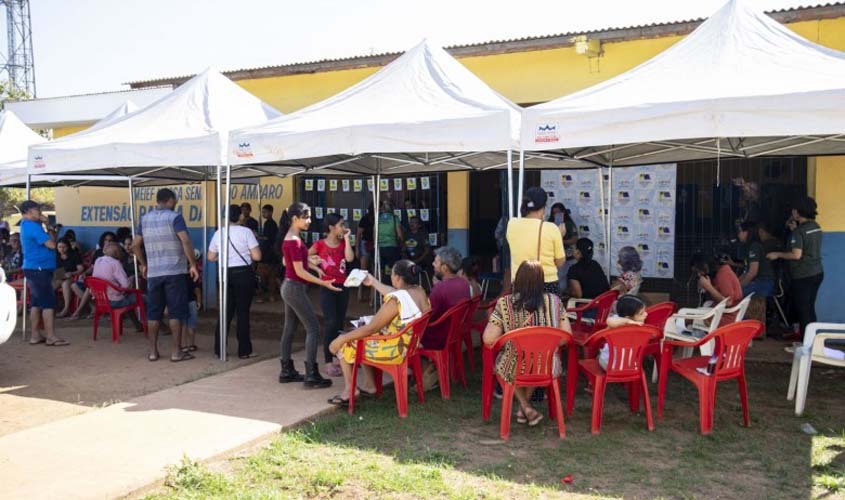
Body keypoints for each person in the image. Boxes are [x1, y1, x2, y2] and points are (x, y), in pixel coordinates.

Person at [328, 260, 430, 406]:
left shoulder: (395, 301)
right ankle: (370, 386)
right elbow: (395, 292)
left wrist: (341, 339)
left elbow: (372, 328)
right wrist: (374, 282)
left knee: (347, 343)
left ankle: (350, 389)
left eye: (392, 274)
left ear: (398, 278)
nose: (391, 277)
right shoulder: (419, 291)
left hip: (395, 349)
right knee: (360, 337)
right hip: (409, 345)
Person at [482, 260, 572, 426]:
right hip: (546, 365)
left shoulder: (505, 304)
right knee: (535, 360)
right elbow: (566, 336)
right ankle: (524, 408)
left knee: (505, 364)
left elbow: (488, 339)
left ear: (518, 279)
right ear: (542, 280)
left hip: (513, 364)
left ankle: (524, 406)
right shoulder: (555, 302)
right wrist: (546, 345)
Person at [132, 188, 200, 362]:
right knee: (175, 313)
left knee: (154, 313)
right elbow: (185, 240)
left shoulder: (144, 219)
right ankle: (176, 352)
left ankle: (153, 352)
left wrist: (143, 264)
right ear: (170, 200)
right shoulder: (174, 217)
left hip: (154, 273)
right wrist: (192, 264)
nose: (175, 203)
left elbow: (135, 245)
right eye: (175, 201)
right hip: (175, 272)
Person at [279, 202, 340, 388]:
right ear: (295, 219)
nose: (309, 221)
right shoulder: (295, 241)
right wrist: (322, 282)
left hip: (289, 286)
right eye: (305, 217)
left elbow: (286, 261)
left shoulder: (291, 238)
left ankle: (286, 370)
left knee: (290, 327)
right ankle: (311, 374)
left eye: (309, 216)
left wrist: (313, 264)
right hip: (295, 288)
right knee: (313, 327)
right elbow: (299, 271)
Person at [208, 204, 261, 359]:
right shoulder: (247, 232)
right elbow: (257, 256)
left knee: (225, 312)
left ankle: (219, 349)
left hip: (225, 274)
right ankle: (244, 351)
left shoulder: (219, 233)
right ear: (241, 216)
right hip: (244, 274)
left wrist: (224, 258)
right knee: (243, 313)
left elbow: (210, 257)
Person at [767, 196, 824, 339]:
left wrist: (777, 254)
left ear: (798, 212)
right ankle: (813, 341)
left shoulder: (798, 232)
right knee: (810, 308)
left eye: (794, 210)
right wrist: (795, 229)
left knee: (803, 310)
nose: (792, 212)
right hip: (817, 272)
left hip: (803, 275)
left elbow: (796, 255)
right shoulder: (815, 227)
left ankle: (806, 344)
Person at [310, 213, 355, 377]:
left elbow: (349, 259)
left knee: (340, 321)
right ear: (331, 228)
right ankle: (328, 360)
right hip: (327, 286)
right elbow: (303, 257)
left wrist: (348, 239)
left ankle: (338, 355)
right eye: (341, 224)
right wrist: (317, 269)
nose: (344, 227)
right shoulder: (320, 244)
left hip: (343, 285)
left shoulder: (343, 243)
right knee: (331, 322)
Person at [19, 200, 68, 346]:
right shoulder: (32, 227)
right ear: (28, 211)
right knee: (48, 303)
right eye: (37, 209)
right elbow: (53, 245)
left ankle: (35, 335)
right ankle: (51, 336)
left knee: (36, 302)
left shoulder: (28, 225)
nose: (40, 211)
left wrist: (47, 226)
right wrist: (49, 226)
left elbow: (50, 242)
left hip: (35, 268)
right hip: (39, 268)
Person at [507, 187, 567, 295]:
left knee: (521, 312)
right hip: (546, 282)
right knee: (547, 311)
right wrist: (560, 236)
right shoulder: (552, 228)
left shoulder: (511, 224)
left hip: (520, 281)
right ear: (543, 206)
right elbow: (560, 261)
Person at [424, 247, 471, 350]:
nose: (432, 264)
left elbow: (428, 316)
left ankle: (425, 364)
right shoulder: (464, 283)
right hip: (455, 333)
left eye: (436, 262)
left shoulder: (440, 288)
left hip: (438, 337)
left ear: (444, 268)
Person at [92, 242, 144, 332]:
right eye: (121, 252)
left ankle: (138, 325)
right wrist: (131, 279)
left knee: (129, 297)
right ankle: (154, 325)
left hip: (101, 300)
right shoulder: (115, 263)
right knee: (143, 298)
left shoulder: (98, 260)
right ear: (117, 253)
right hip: (114, 301)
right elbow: (126, 285)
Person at [690, 250, 742, 326]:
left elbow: (728, 302)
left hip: (726, 317)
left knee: (685, 319)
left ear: (705, 266)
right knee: (703, 306)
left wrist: (709, 287)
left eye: (699, 271)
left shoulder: (723, 274)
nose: (699, 274)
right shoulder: (723, 270)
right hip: (727, 313)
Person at [599, 295, 648, 370]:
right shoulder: (619, 322)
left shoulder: (637, 323)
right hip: (629, 366)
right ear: (628, 317)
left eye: (645, 311)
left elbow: (609, 321)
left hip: (611, 365)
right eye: (641, 313)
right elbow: (609, 321)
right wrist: (629, 322)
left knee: (601, 356)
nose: (646, 314)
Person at [736, 222, 775, 298]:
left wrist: (737, 287)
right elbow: (746, 272)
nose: (738, 235)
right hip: (759, 282)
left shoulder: (754, 247)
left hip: (763, 282)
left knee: (735, 294)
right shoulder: (751, 246)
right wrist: (735, 284)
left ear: (747, 232)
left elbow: (752, 273)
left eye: (739, 231)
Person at [549, 202, 578, 290]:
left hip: (569, 256)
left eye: (558, 212)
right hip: (557, 257)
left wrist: (562, 241)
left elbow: (574, 239)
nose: (556, 215)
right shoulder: (549, 224)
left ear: (563, 212)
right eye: (554, 213)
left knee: (573, 278)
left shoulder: (568, 223)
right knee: (560, 279)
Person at [256, 204, 280, 303]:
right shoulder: (272, 223)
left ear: (270, 212)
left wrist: (258, 236)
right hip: (272, 254)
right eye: (262, 212)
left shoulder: (269, 224)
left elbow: (267, 238)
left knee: (263, 277)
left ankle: (263, 297)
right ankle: (271, 296)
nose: (263, 214)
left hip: (267, 254)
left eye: (265, 212)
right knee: (271, 277)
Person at [55, 238, 84, 318]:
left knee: (65, 284)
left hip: (72, 276)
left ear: (68, 247)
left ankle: (66, 308)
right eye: (59, 247)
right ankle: (48, 307)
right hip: (60, 276)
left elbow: (80, 268)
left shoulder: (74, 254)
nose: (61, 249)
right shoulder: (56, 255)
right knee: (50, 285)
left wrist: (72, 273)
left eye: (64, 247)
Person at [377, 198, 404, 279]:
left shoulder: (377, 218)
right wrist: (402, 244)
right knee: (393, 269)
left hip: (380, 247)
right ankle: (393, 287)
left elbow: (374, 233)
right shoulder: (394, 218)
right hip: (392, 246)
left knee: (380, 270)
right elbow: (400, 235)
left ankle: (379, 288)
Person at [182, 249, 202, 353]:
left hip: (181, 302)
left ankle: (184, 345)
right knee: (192, 325)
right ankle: (191, 344)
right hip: (192, 302)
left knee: (183, 325)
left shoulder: (178, 276)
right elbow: (197, 289)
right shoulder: (193, 273)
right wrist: (199, 301)